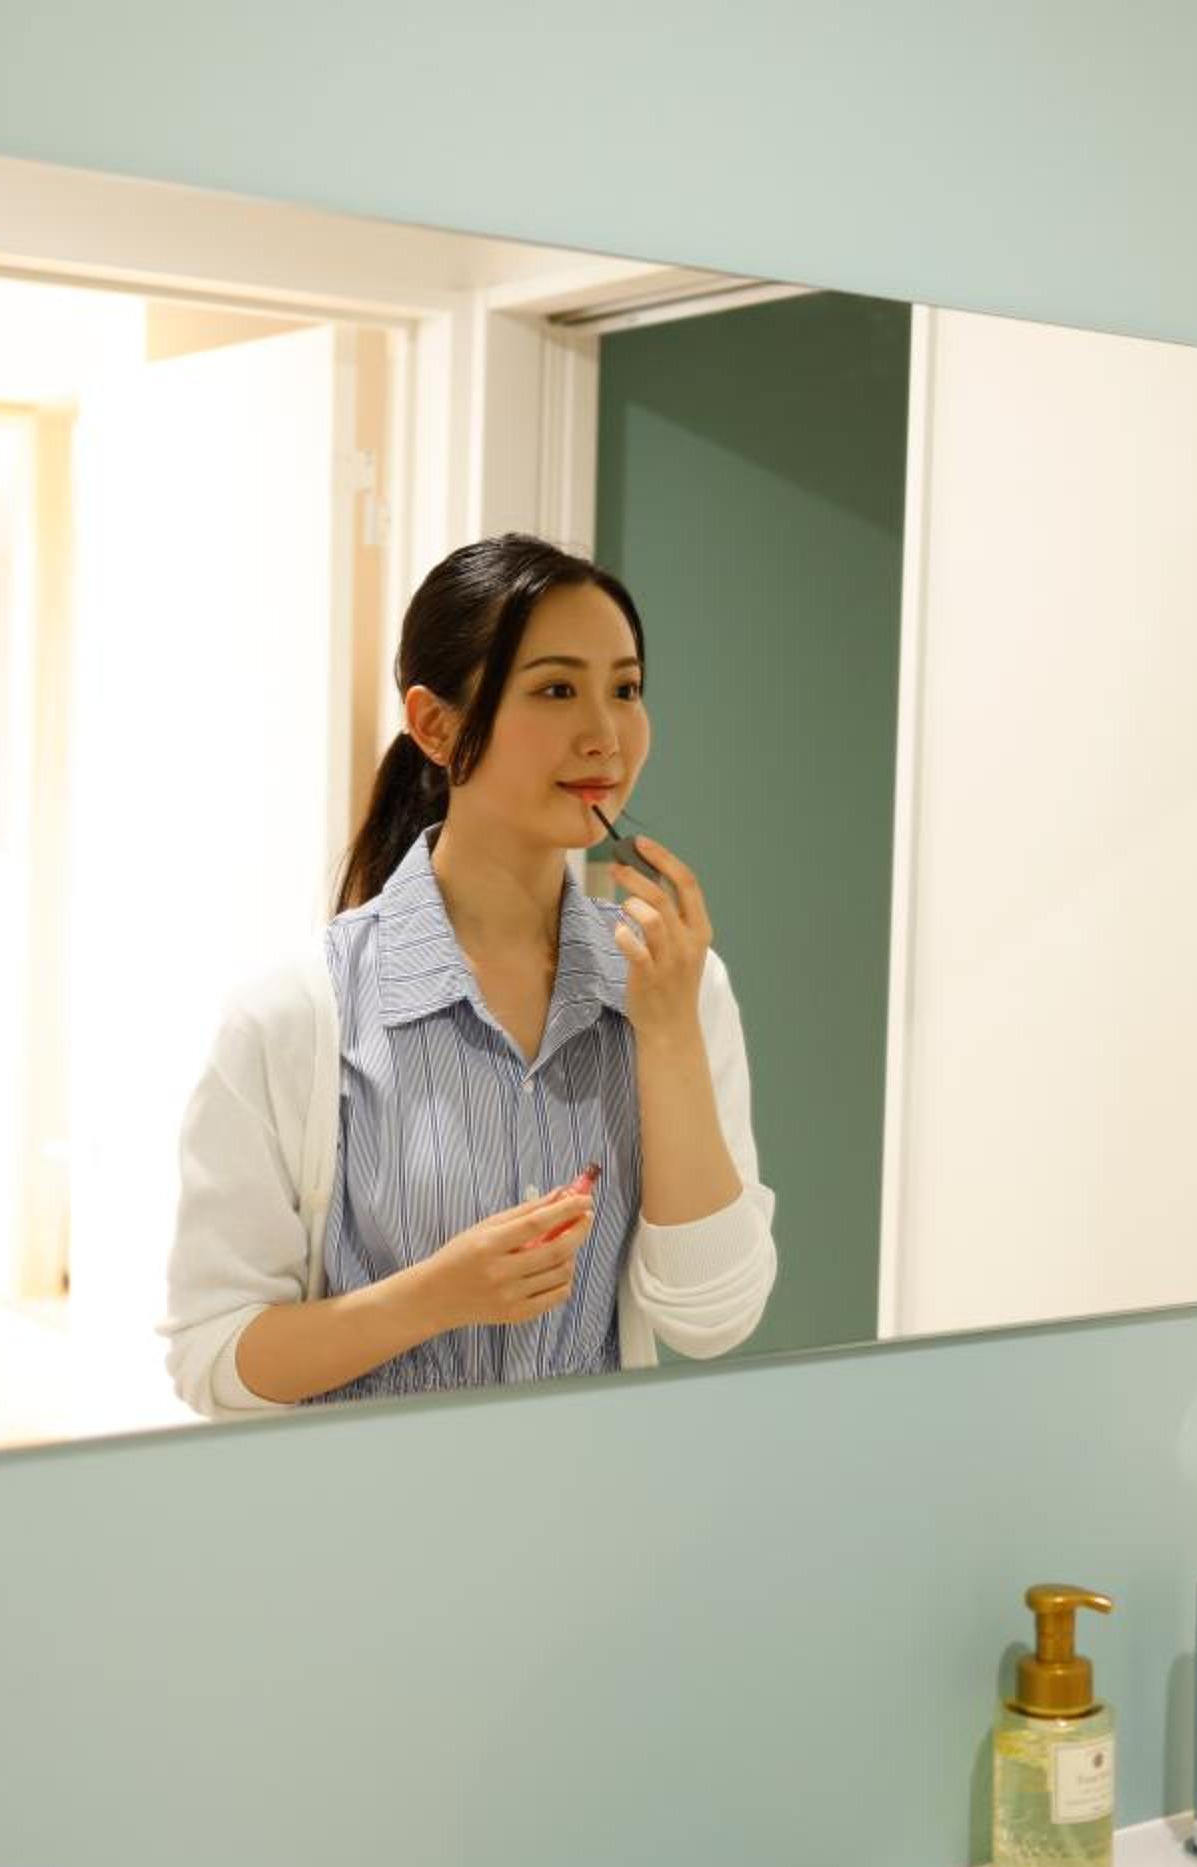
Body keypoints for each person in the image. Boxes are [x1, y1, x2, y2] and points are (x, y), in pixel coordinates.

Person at [159, 534, 776, 1412]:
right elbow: (214, 1361)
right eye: (556, 690)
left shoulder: (677, 989)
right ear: (436, 726)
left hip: (596, 1497)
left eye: (626, 689)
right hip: (370, 1502)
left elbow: (713, 1319)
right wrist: (434, 1298)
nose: (605, 735)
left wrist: (671, 1031)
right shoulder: (291, 1015)